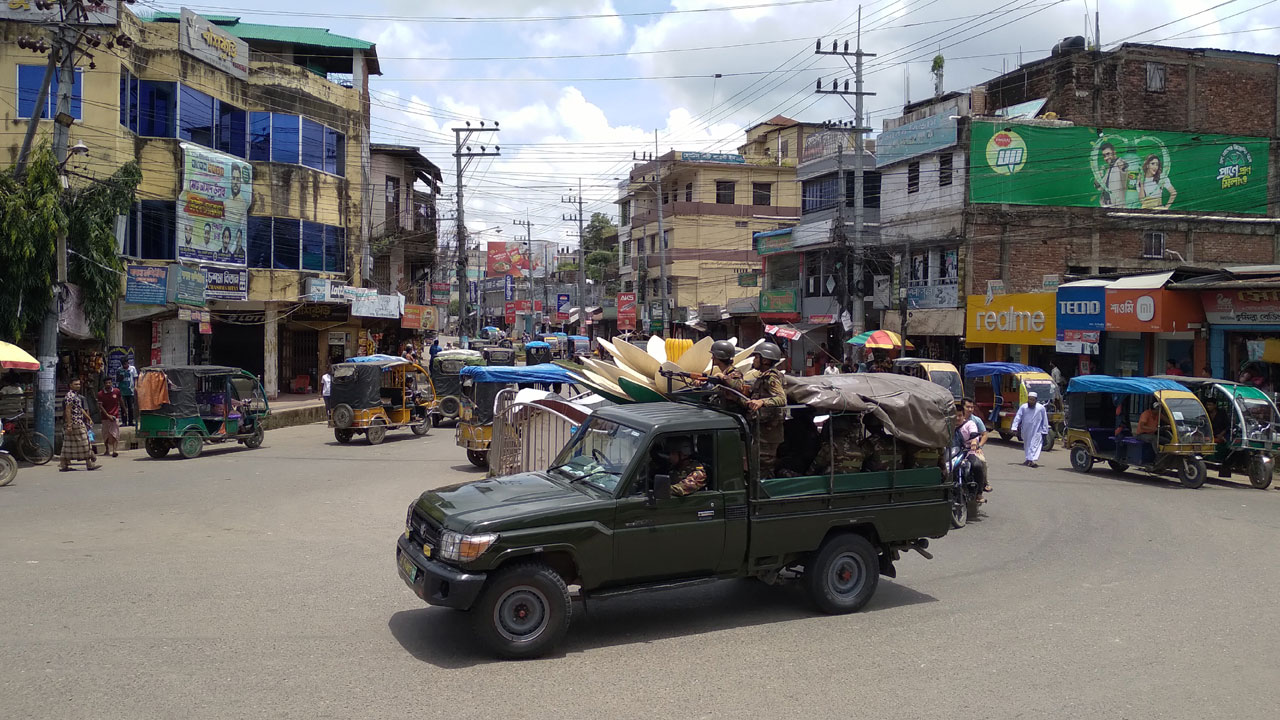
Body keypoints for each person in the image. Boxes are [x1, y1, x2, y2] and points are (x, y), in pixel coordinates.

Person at [724, 342, 787, 477]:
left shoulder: (772, 377)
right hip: (761, 430)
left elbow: (782, 399)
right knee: (756, 465)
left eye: (756, 357)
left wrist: (762, 402)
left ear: (765, 360)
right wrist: (736, 399)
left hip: (769, 434)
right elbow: (751, 403)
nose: (754, 360)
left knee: (764, 468)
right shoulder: (763, 377)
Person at [60, 379, 99, 471]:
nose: (78, 386)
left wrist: (88, 418)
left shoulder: (76, 396)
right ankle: (89, 462)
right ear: (70, 385)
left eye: (79, 384)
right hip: (75, 423)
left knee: (70, 445)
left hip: (79, 422)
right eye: (75, 384)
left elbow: (80, 409)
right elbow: (68, 410)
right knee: (84, 443)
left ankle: (64, 464)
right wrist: (69, 425)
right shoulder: (69, 396)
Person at [955, 398, 990, 499]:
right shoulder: (949, 424)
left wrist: (976, 443)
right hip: (953, 453)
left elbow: (979, 434)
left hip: (969, 451)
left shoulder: (972, 422)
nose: (970, 409)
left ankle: (980, 490)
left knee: (979, 464)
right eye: (968, 407)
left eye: (972, 407)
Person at [1011, 390, 1050, 467]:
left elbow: (1044, 420)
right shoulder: (1024, 407)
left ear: (1036, 400)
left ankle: (1032, 460)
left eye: (1033, 399)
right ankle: (1028, 459)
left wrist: (1045, 431)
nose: (1031, 401)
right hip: (1025, 430)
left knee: (1034, 445)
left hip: (1037, 430)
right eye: (1030, 399)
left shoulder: (1041, 408)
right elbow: (1018, 417)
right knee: (1027, 445)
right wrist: (1014, 427)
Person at [1097, 141, 1128, 208]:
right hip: (1105, 205)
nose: (1106, 158)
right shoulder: (1109, 168)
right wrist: (1098, 177)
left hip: (1117, 207)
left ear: (1114, 152)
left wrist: (1123, 166)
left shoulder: (1119, 163)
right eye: (1104, 156)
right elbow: (1100, 187)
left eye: (1108, 154)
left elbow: (1125, 169)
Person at [96, 378, 122, 458]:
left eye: (109, 383)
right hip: (105, 417)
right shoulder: (100, 394)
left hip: (115, 416)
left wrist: (124, 410)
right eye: (107, 383)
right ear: (104, 384)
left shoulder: (116, 391)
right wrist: (107, 415)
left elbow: (120, 401)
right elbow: (100, 406)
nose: (108, 384)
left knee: (114, 433)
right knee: (106, 434)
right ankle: (107, 449)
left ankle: (114, 450)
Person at [117, 359, 138, 426]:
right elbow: (117, 380)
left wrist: (136, 386)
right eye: (123, 364)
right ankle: (124, 421)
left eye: (126, 364)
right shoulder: (119, 370)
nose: (125, 366)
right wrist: (121, 377)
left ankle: (131, 421)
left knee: (130, 407)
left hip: (130, 391)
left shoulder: (132, 369)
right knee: (123, 407)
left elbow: (135, 378)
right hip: (122, 391)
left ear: (128, 363)